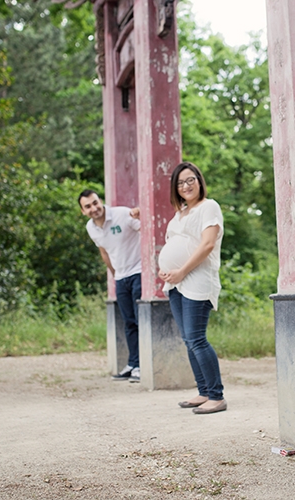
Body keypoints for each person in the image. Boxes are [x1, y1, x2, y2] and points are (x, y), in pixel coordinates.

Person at [158, 162, 227, 415]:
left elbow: (207, 245)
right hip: (176, 282)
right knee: (188, 340)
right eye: (180, 183)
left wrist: (181, 270)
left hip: (197, 280)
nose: (186, 186)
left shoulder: (209, 207)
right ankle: (203, 391)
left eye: (190, 180)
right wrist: (167, 270)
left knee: (197, 338)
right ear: (175, 189)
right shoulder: (179, 214)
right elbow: (173, 245)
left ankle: (217, 396)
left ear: (199, 180)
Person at [79, 189, 142, 383]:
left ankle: (143, 366)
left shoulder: (122, 214)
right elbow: (104, 252)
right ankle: (133, 363)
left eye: (95, 203)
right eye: (88, 206)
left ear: (101, 201)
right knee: (129, 322)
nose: (94, 208)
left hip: (138, 271)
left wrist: (142, 211)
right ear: (83, 211)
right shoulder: (91, 227)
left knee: (141, 320)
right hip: (121, 277)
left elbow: (147, 229)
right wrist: (115, 275)